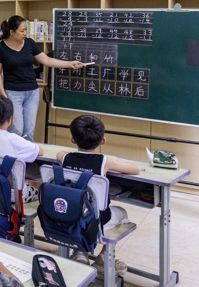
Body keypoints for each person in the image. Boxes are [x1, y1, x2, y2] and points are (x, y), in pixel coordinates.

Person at [56, 115, 140, 276]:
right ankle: (103, 257)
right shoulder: (104, 161)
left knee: (83, 209)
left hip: (70, 216)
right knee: (122, 212)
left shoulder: (66, 158)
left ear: (72, 139)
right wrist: (113, 161)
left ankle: (81, 253)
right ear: (103, 141)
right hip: (98, 221)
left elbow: (59, 154)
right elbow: (134, 169)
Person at [0, 15, 83, 141]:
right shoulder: (0, 48)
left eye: (26, 30)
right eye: (22, 31)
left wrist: (70, 64)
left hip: (32, 92)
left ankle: (27, 153)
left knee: (29, 131)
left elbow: (47, 60)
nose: (25, 33)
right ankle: (13, 153)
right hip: (12, 92)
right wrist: (3, 95)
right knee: (16, 129)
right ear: (12, 32)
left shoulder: (29, 43)